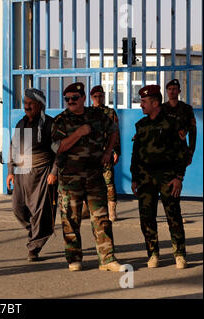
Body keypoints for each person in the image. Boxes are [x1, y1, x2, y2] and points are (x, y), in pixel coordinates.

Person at [51, 82, 122, 272]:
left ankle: (107, 259)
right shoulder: (60, 120)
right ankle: (74, 259)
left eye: (74, 98)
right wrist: (79, 133)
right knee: (70, 220)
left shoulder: (97, 116)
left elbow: (114, 129)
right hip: (70, 179)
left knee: (101, 218)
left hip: (94, 175)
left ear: (83, 98)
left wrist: (109, 150)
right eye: (67, 99)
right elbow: (58, 147)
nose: (71, 102)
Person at [130, 85, 188, 269]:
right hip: (146, 178)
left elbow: (182, 153)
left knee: (173, 215)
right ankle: (153, 253)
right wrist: (134, 177)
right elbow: (136, 154)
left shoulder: (172, 123)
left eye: (144, 102)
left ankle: (179, 254)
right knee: (147, 217)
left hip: (168, 176)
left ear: (155, 103)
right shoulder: (141, 125)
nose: (141, 105)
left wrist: (179, 177)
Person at [6, 88, 57, 262]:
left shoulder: (50, 124)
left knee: (41, 212)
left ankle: (34, 247)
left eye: (30, 104)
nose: (26, 107)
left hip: (42, 172)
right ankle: (35, 231)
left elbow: (60, 151)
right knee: (18, 209)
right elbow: (13, 148)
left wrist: (54, 172)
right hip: (21, 171)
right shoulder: (21, 123)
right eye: (25, 103)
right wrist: (10, 172)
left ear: (40, 106)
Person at [81, 85, 121, 222]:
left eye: (101, 96)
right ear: (91, 98)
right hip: (91, 154)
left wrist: (117, 151)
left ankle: (111, 209)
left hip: (106, 152)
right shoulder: (87, 113)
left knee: (109, 181)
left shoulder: (110, 113)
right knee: (88, 182)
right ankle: (86, 208)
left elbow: (116, 133)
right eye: (96, 96)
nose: (98, 99)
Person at [162, 79, 197, 167]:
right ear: (166, 91)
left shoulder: (187, 109)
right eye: (169, 89)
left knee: (177, 179)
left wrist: (190, 153)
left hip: (180, 151)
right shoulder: (161, 109)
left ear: (179, 91)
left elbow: (193, 132)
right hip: (163, 151)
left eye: (174, 89)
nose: (171, 91)